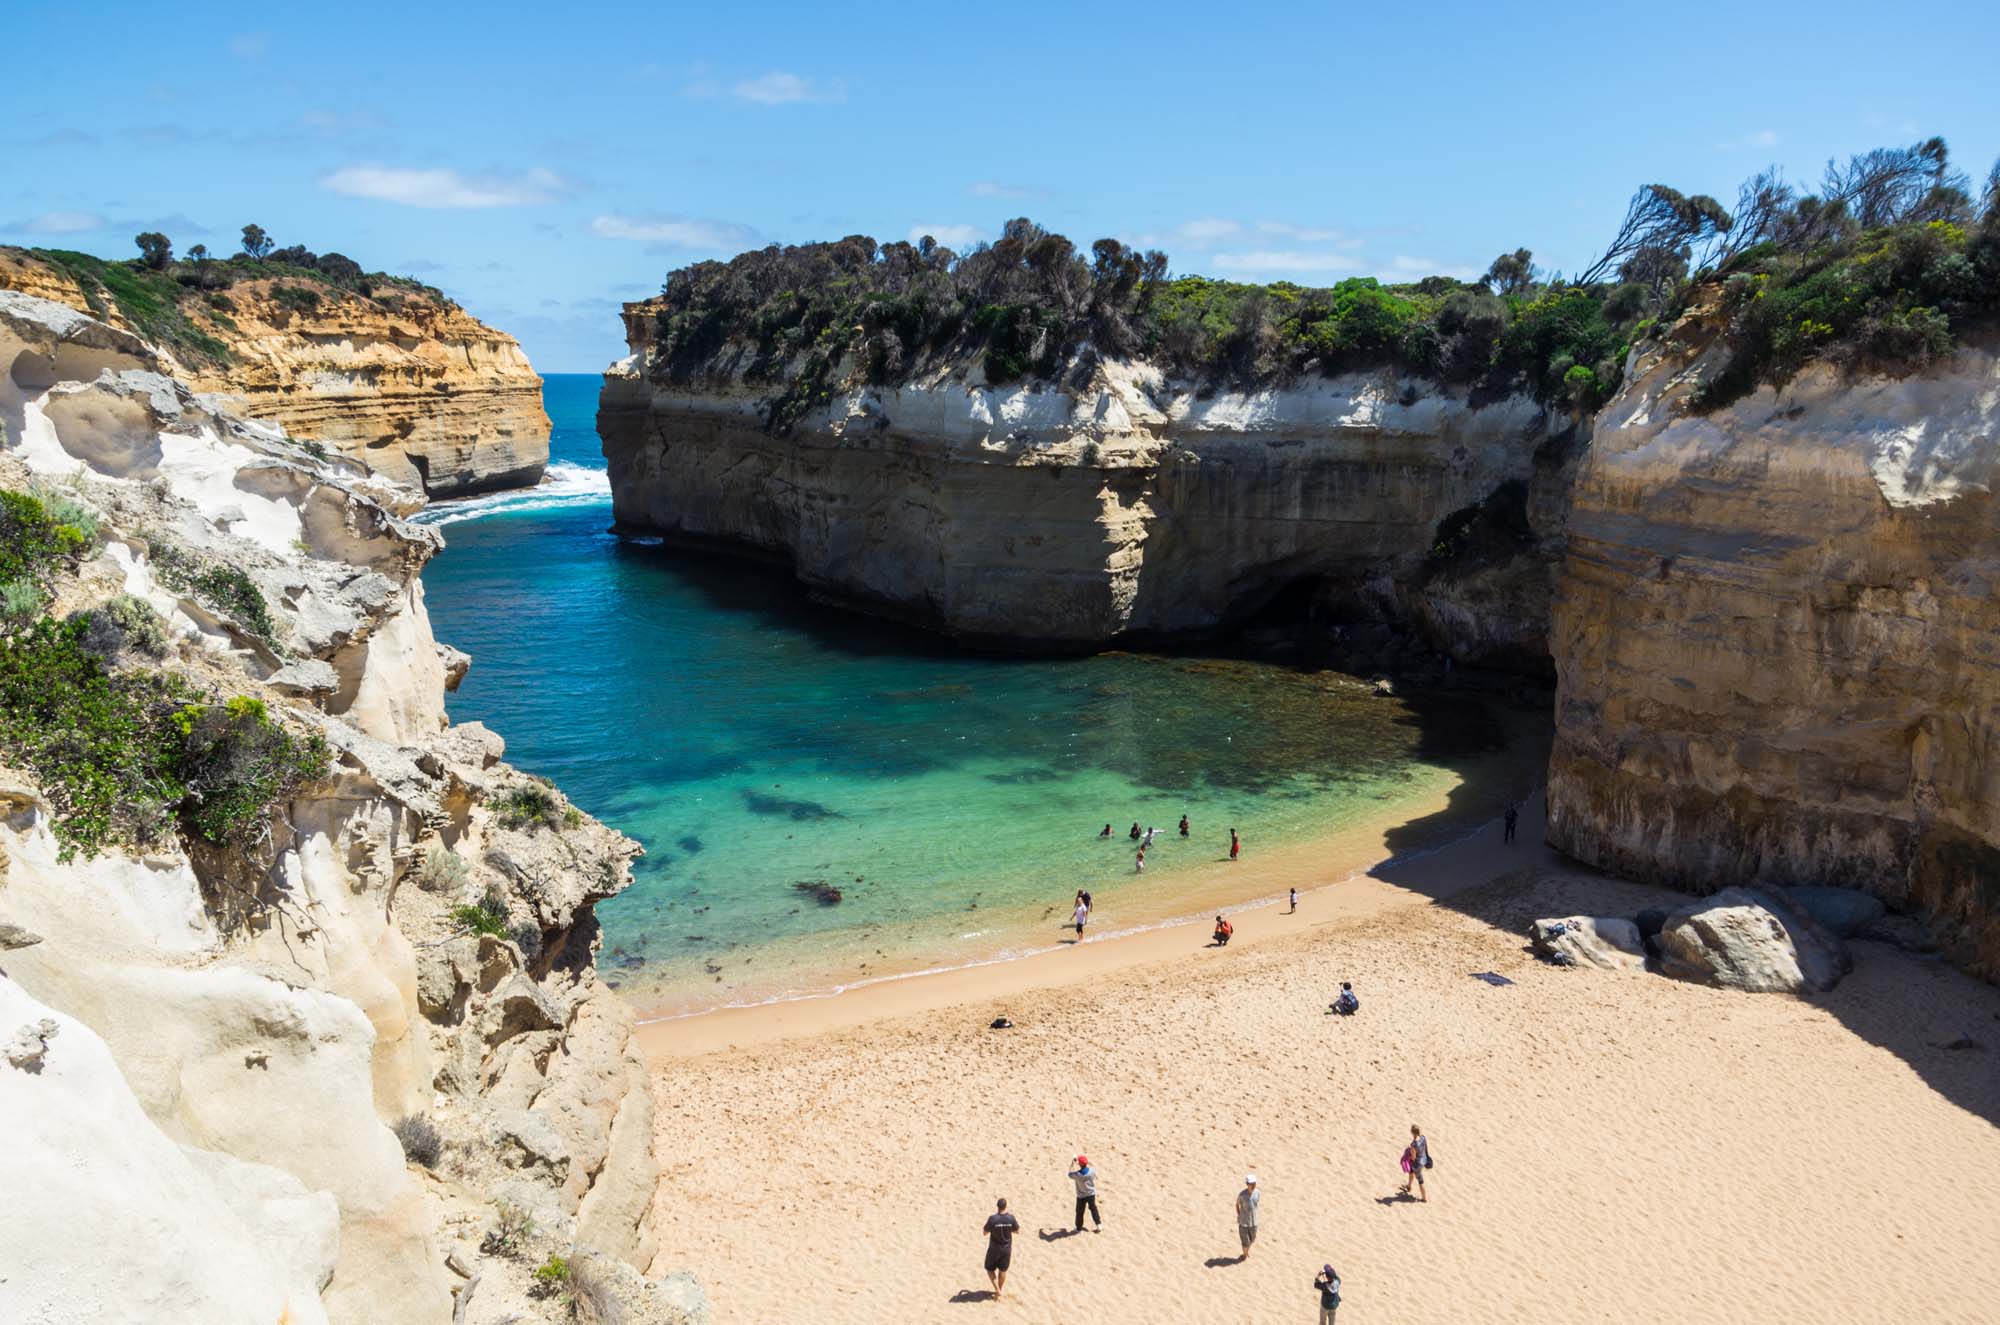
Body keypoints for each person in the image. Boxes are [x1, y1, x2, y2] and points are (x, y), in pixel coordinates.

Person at [983, 1197, 1019, 1298]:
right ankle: (999, 1290)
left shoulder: (993, 1219)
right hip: (1006, 1249)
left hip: (994, 1248)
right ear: (1005, 1206)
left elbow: (985, 1233)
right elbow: (1017, 1231)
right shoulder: (1011, 1218)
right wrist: (1007, 1229)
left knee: (989, 1269)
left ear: (997, 1207)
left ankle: (997, 1290)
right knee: (1003, 1270)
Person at [1068, 1155, 1101, 1231]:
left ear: (1080, 1164)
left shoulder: (1077, 1175)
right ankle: (1098, 1224)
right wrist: (1084, 1162)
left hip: (1081, 1196)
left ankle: (1078, 1228)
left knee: (1079, 1212)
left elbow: (1069, 1174)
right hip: (1091, 1194)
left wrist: (1072, 1164)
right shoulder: (1092, 1171)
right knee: (1093, 1209)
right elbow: (1092, 1166)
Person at [1401, 1125, 1430, 1201]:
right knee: (1411, 1172)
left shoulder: (1414, 1144)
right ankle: (1408, 1186)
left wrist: (1408, 1155)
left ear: (1412, 1133)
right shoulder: (1423, 1137)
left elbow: (1413, 1157)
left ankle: (1424, 1198)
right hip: (1424, 1159)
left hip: (1417, 1164)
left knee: (1420, 1180)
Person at [1235, 1175, 1260, 1257]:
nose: (1253, 1185)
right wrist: (1239, 1215)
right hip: (1243, 1222)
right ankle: (1245, 1254)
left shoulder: (1257, 1193)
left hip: (1254, 1221)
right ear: (1247, 1184)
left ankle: (1246, 1251)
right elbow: (1237, 1205)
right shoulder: (1242, 1195)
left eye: (1254, 1183)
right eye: (1250, 1183)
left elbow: (1256, 1204)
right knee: (1245, 1241)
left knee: (1252, 1239)